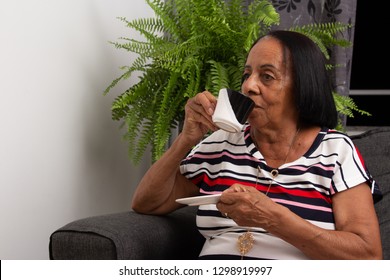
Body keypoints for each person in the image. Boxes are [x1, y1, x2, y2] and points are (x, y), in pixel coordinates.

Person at [131, 30, 383, 259]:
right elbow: (147, 203)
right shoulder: (222, 144)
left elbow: (368, 256)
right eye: (247, 74)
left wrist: (273, 218)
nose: (249, 86)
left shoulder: (335, 151)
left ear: (302, 86)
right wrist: (185, 139)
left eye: (267, 76)